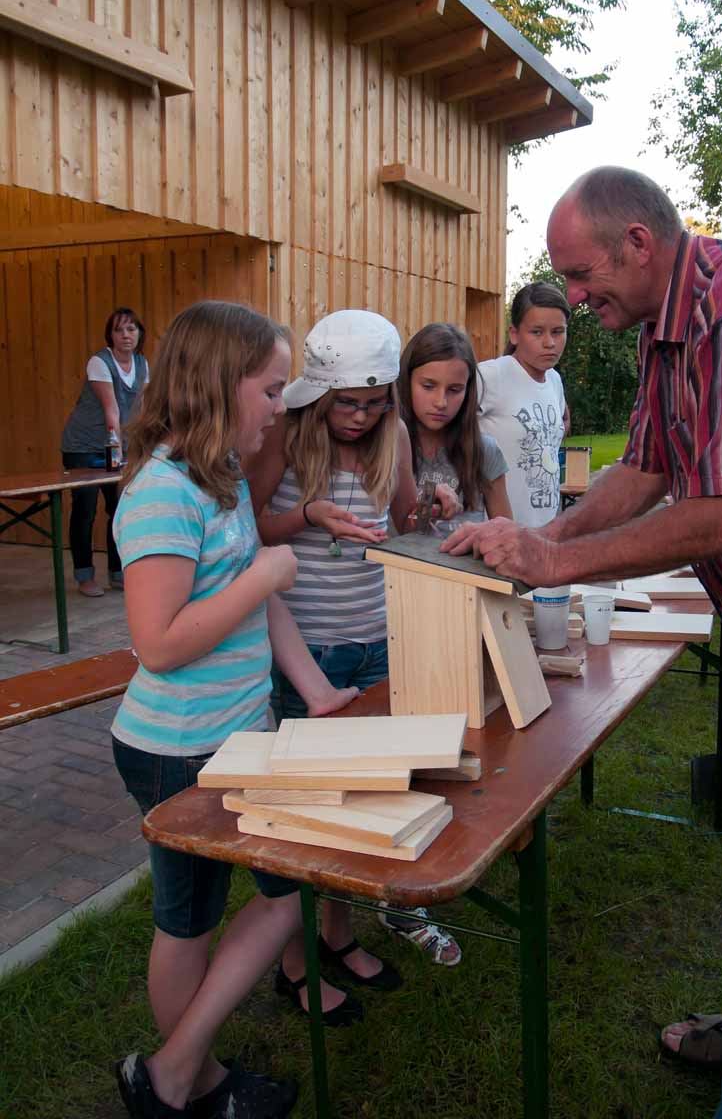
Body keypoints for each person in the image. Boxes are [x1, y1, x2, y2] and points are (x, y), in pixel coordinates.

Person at [444, 166, 722, 1119]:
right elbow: (645, 468)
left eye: (581, 276)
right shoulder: (668, 327)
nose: (574, 300)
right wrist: (540, 538)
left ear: (639, 244)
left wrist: (558, 565)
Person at [110, 300, 357, 1119]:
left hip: (232, 738)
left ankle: (181, 1075)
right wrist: (261, 576)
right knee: (197, 918)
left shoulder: (217, 479)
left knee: (275, 896)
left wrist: (317, 693)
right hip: (178, 749)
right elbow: (158, 644)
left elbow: (259, 604)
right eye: (272, 390)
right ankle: (184, 1078)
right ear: (221, 386)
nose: (280, 409)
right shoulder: (161, 493)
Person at [249, 309, 462, 1012]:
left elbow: (402, 525)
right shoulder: (285, 432)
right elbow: (249, 531)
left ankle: (338, 937)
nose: (361, 417)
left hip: (375, 638)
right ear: (319, 394)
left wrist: (431, 509)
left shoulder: (393, 435)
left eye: (374, 403)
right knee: (311, 810)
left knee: (364, 799)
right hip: (307, 648)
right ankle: (295, 963)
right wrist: (309, 516)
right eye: (348, 403)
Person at [60, 307, 149, 597]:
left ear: (140, 333)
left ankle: (118, 573)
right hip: (84, 447)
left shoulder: (142, 364)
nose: (126, 335)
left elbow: (142, 410)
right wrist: (120, 453)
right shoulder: (99, 362)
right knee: (85, 510)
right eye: (118, 330)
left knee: (120, 509)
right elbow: (112, 411)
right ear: (110, 335)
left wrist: (144, 447)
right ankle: (84, 576)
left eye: (131, 329)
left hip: (119, 446)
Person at [398, 321, 512, 535]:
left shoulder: (484, 451)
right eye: (428, 386)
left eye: (455, 390)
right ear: (406, 379)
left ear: (468, 390)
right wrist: (427, 499)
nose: (441, 402)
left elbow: (506, 536)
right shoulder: (386, 448)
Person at [476, 283, 570, 527]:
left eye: (558, 332)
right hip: (495, 532)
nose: (549, 342)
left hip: (544, 531)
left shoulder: (554, 381)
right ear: (514, 334)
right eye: (537, 332)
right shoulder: (490, 375)